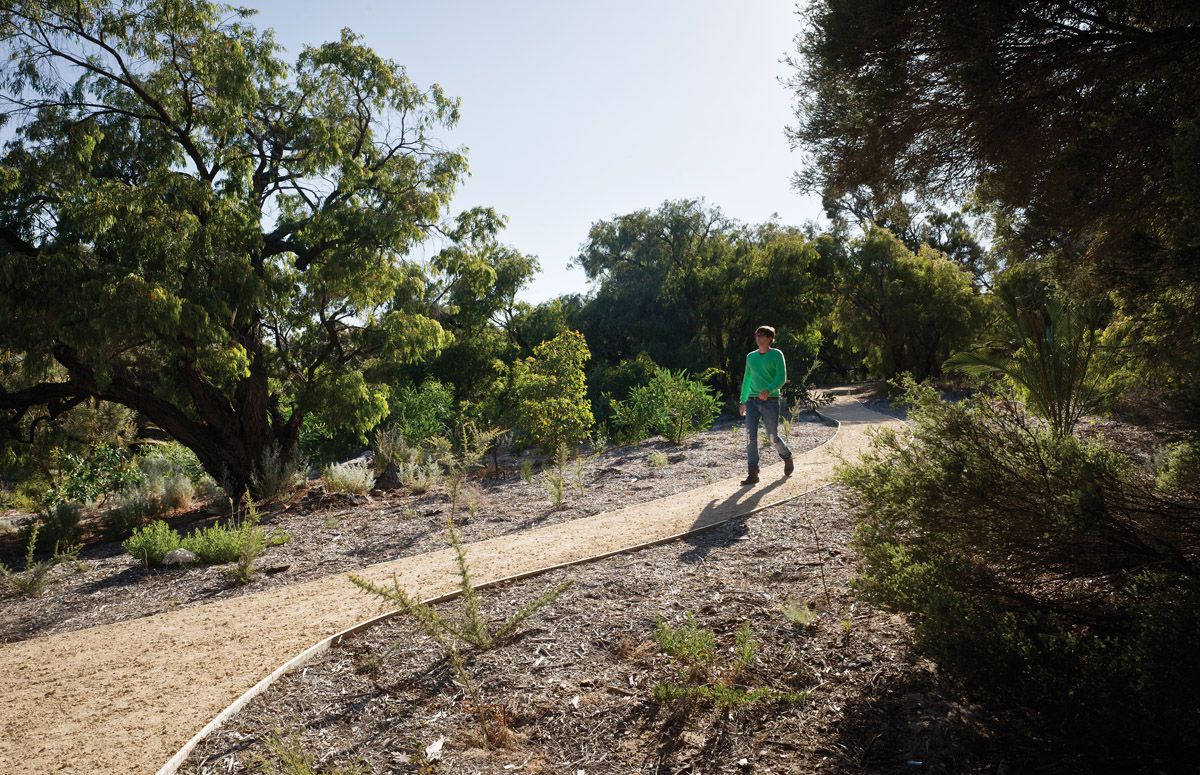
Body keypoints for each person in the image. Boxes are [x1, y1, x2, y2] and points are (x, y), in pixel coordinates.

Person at [738, 325, 794, 485]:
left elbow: (781, 377)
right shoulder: (751, 357)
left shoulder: (776, 354)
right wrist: (742, 401)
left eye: (762, 335)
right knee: (750, 437)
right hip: (752, 401)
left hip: (770, 401)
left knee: (772, 437)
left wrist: (769, 390)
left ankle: (786, 456)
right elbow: (747, 379)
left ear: (770, 338)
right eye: (757, 335)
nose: (758, 338)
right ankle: (752, 473)